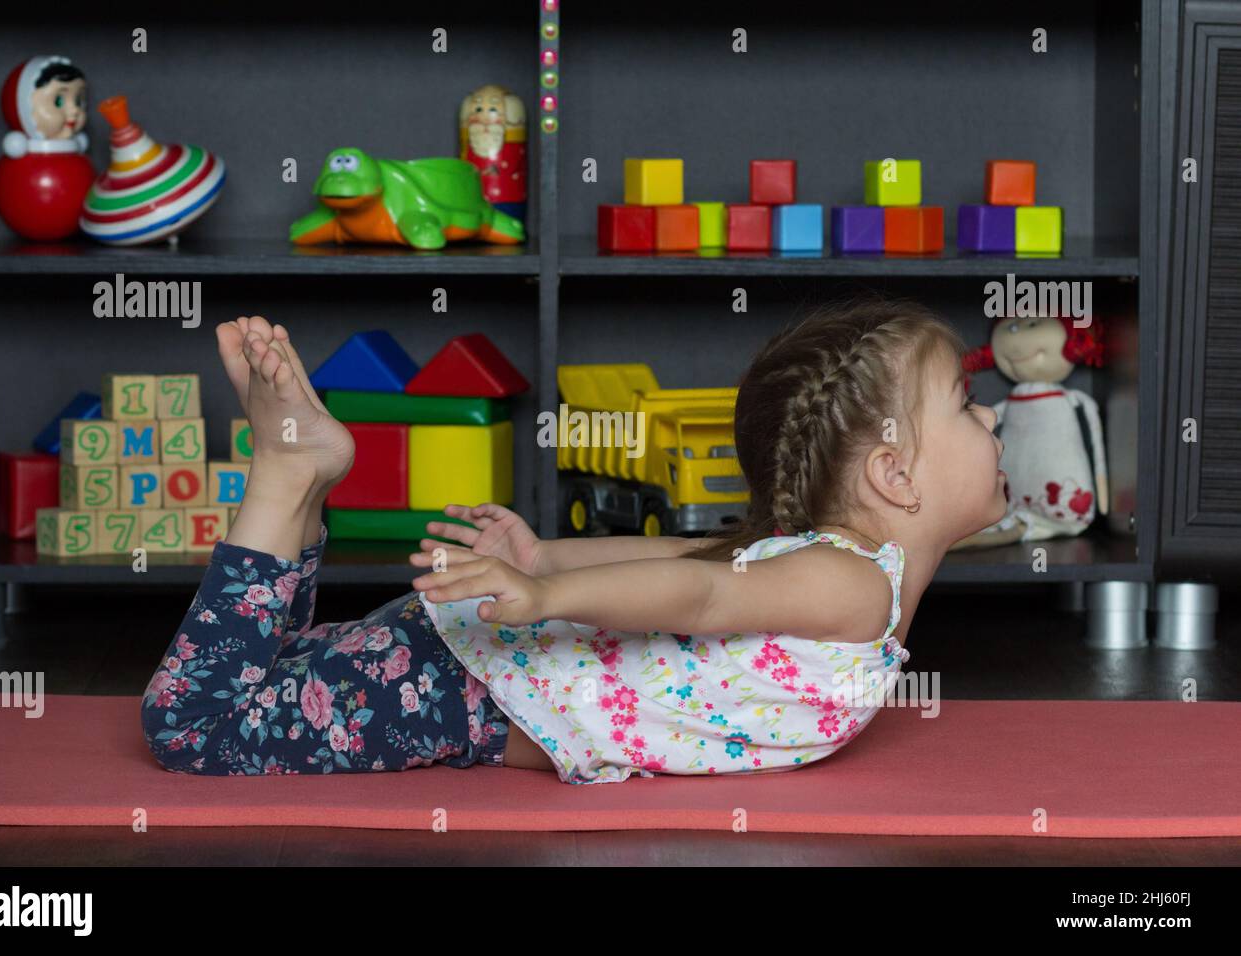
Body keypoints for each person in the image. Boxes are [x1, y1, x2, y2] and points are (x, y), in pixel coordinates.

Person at [141, 297, 1007, 783]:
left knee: (264, 671)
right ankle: (285, 476)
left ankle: (300, 479)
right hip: (465, 691)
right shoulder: (855, 589)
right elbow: (707, 594)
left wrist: (546, 560)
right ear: (894, 476)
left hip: (474, 672)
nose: (994, 414)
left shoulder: (831, 567)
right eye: (968, 407)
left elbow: (694, 563)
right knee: (195, 727)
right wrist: (546, 591)